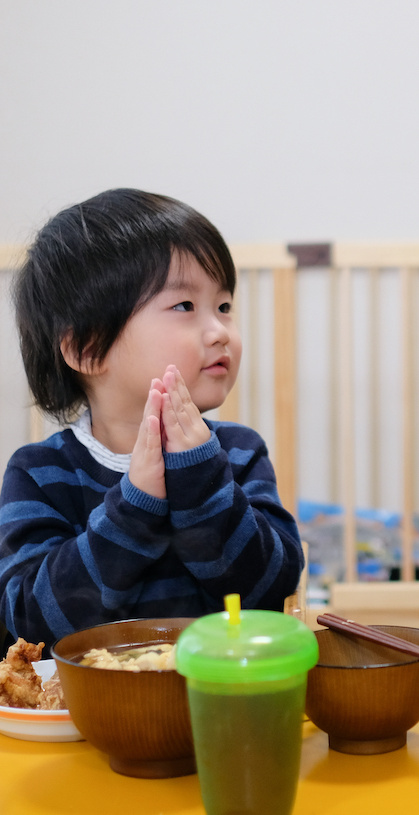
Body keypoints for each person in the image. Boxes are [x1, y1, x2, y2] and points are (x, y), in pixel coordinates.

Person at [0, 188, 303, 653]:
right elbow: (31, 620)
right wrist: (134, 507)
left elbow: (271, 589)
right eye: (185, 306)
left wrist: (203, 482)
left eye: (224, 306)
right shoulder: (40, 473)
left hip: (216, 704)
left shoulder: (239, 453)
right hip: (91, 715)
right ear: (86, 348)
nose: (221, 330)